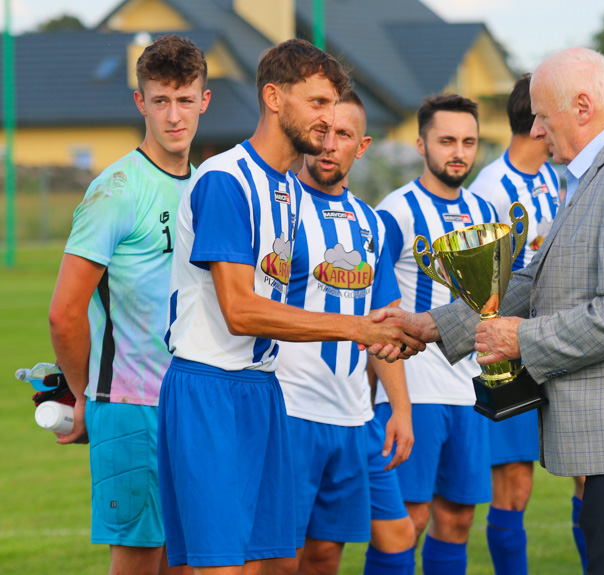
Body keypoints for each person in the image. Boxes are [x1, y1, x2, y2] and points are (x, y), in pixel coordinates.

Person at [371, 47, 604, 575]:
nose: (535, 130)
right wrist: (433, 326)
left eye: (541, 114)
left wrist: (520, 341)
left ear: (582, 106)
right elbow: (540, 278)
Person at [159, 39, 422, 574]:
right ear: (274, 98)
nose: (328, 120)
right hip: (211, 387)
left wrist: (389, 326)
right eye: (318, 103)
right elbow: (241, 311)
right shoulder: (225, 181)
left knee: (266, 564)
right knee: (222, 567)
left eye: (334, 105)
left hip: (263, 389)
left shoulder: (287, 191)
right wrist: (354, 329)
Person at [47, 34, 209, 575]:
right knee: (140, 562)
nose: (174, 115)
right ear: (140, 103)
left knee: (186, 561)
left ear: (204, 101)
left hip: (191, 402)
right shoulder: (116, 188)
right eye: (161, 100)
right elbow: (64, 312)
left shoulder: (206, 188)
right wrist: (82, 396)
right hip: (129, 403)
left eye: (185, 100)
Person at [275, 90, 415, 575]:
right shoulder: (279, 210)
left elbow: (385, 326)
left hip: (353, 414)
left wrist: (398, 407)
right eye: (322, 132)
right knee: (280, 557)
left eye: (343, 135)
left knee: (325, 555)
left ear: (363, 145)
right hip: (288, 410)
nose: (330, 145)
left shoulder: (372, 223)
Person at [374, 93, 496, 575]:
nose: (458, 152)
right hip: (416, 390)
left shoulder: (487, 211)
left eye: (468, 141)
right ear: (421, 143)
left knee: (458, 520)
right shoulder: (394, 211)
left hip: (469, 392)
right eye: (447, 140)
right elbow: (373, 309)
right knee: (409, 521)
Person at [468, 73, 567, 575]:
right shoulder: (489, 189)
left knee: (592, 472)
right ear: (537, 124)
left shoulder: (557, 177)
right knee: (513, 486)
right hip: (509, 353)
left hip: (560, 345)